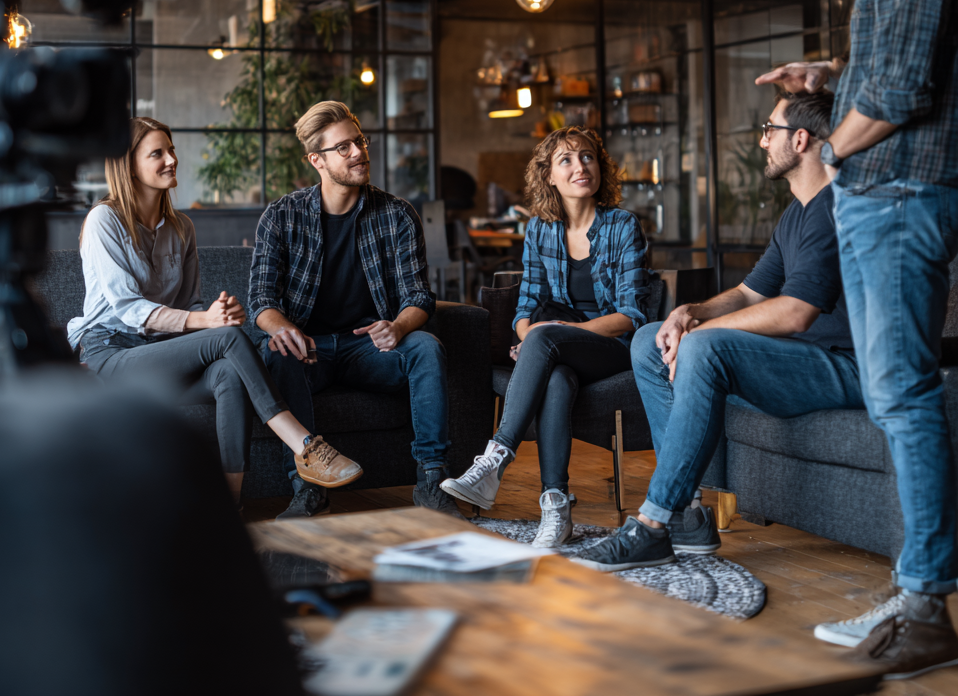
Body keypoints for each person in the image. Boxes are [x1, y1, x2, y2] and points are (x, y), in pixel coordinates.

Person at [757, 0, 958, 680]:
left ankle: (925, 603)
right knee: (893, 398)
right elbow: (899, 65)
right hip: (887, 194)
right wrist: (828, 79)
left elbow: (909, 86)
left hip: (901, 195)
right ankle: (915, 588)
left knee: (905, 398)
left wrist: (832, 151)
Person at [574, 92, 863, 573]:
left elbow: (796, 313)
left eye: (769, 130)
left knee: (704, 347)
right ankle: (686, 516)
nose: (762, 141)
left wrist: (702, 332)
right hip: (799, 360)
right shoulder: (797, 212)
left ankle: (652, 522)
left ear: (800, 138)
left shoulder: (834, 208)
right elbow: (751, 293)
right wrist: (689, 312)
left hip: (841, 366)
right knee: (649, 339)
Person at [69, 117, 362, 506]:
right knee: (226, 340)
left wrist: (213, 314)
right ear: (129, 165)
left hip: (162, 356)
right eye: (157, 153)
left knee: (227, 370)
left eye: (171, 149)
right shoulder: (104, 221)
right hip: (110, 353)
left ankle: (231, 506)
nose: (172, 159)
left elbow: (188, 306)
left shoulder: (181, 227)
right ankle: (304, 444)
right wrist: (209, 324)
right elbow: (128, 308)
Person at [440, 127, 649, 547]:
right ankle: (556, 506)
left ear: (600, 167)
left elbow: (631, 315)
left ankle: (496, 457)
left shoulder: (623, 226)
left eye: (587, 157)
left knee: (545, 339)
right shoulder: (540, 230)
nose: (580, 167)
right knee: (555, 378)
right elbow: (525, 307)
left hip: (613, 348)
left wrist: (554, 334)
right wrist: (528, 338)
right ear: (549, 176)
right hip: (560, 350)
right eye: (566, 160)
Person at [249, 101, 457, 520]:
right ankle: (309, 488)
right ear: (317, 160)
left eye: (359, 141)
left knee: (426, 347)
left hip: (371, 351)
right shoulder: (282, 216)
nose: (358, 153)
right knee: (276, 351)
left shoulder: (397, 215)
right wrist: (285, 329)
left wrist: (397, 327)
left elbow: (419, 296)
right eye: (342, 148)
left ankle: (433, 481)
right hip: (311, 351)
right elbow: (260, 300)